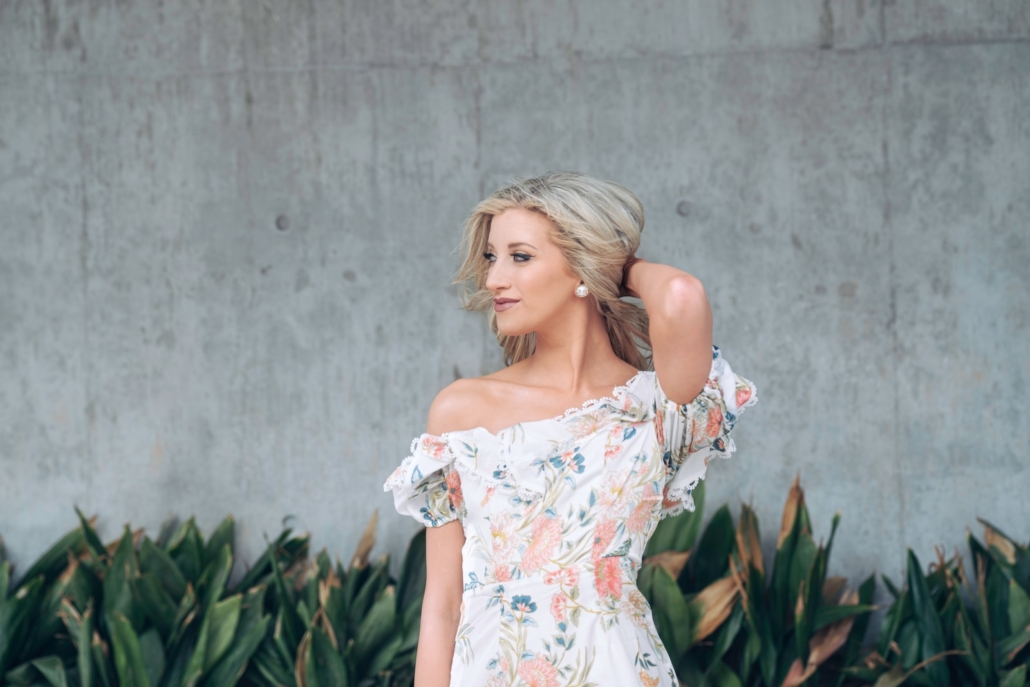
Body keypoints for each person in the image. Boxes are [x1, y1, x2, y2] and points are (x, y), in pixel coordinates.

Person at [382, 171, 757, 687]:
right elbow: (442, 604)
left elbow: (681, 295)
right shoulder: (463, 411)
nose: (493, 279)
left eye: (520, 256)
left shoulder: (656, 408)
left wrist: (617, 268)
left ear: (583, 266)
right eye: (492, 257)